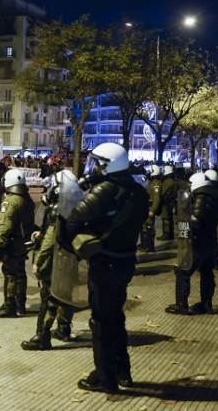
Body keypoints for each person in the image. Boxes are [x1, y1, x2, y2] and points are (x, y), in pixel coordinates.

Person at [60, 143, 147, 393]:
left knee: (101, 321)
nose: (95, 167)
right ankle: (122, 371)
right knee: (116, 317)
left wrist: (77, 242)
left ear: (109, 164)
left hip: (104, 263)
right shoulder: (138, 192)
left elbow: (74, 220)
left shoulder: (105, 191)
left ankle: (105, 377)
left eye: (99, 163)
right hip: (125, 261)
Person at [21, 173, 75, 350]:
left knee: (49, 298)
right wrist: (42, 233)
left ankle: (42, 336)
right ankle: (63, 329)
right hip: (71, 259)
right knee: (66, 295)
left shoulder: (58, 209)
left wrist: (38, 262)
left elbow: (51, 240)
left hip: (55, 260)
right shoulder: (76, 205)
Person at [166, 172, 218, 316]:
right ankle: (206, 304)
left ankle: (182, 304)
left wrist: (184, 229)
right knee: (206, 273)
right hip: (210, 241)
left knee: (183, 272)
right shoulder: (215, 196)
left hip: (198, 242)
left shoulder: (201, 198)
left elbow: (196, 221)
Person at [0, 167, 36, 318]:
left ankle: (9, 306)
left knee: (10, 273)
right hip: (23, 242)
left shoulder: (10, 201)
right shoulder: (27, 199)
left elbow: (5, 225)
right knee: (20, 272)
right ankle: (21, 304)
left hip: (12, 243)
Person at [142, 165, 162, 252]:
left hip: (150, 208)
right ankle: (145, 244)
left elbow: (157, 198)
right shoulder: (152, 182)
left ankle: (149, 246)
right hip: (148, 207)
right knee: (145, 227)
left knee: (149, 227)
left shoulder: (156, 183)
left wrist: (153, 210)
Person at [157, 165, 176, 241]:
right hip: (170, 201)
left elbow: (162, 192)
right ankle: (170, 233)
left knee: (166, 218)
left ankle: (167, 234)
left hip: (166, 202)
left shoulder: (167, 182)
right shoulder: (173, 180)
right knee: (169, 217)